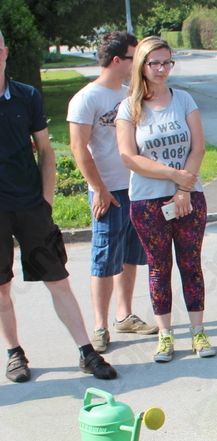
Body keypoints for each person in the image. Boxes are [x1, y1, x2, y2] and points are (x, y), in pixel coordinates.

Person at [0, 29, 117, 382]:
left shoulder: (26, 96)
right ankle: (15, 353)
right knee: (1, 287)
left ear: (4, 52)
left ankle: (87, 352)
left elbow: (45, 151)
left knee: (58, 280)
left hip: (31, 206)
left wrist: (46, 202)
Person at [116, 36, 215, 363]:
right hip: (148, 203)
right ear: (142, 65)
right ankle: (165, 335)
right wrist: (174, 175)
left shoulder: (183, 99)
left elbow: (198, 148)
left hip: (189, 198)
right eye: (154, 63)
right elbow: (129, 158)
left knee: (191, 265)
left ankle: (198, 332)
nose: (161, 69)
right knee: (159, 267)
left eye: (167, 62)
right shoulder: (129, 107)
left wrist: (184, 189)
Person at [68, 31, 158, 354]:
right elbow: (78, 148)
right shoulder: (86, 98)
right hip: (107, 192)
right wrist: (99, 189)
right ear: (118, 60)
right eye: (135, 57)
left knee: (131, 255)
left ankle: (124, 315)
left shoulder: (129, 94)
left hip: (136, 188)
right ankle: (100, 326)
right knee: (104, 258)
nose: (140, 63)